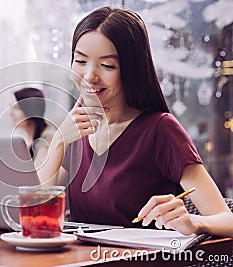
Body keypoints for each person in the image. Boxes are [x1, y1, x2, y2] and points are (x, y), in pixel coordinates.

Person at [38, 6, 233, 237]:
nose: (90, 75)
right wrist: (58, 142)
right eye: (80, 61)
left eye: (107, 65)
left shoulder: (160, 130)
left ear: (131, 70)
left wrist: (194, 222)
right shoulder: (74, 130)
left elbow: (227, 221)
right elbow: (31, 211)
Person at [9, 87, 53, 169]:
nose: (10, 113)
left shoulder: (48, 137)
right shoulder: (29, 140)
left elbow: (37, 179)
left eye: (16, 108)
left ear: (29, 109)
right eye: (11, 108)